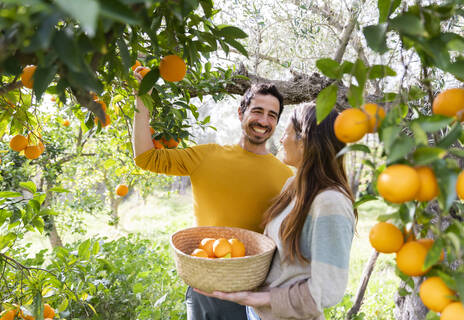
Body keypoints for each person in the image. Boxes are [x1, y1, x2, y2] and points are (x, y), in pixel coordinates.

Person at [132, 67, 293, 320]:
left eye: (272, 115)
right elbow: (145, 157)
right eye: (257, 111)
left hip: (256, 293)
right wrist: (142, 99)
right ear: (241, 113)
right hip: (204, 287)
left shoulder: (287, 176)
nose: (264, 120)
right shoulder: (205, 156)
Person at [195, 103, 357, 320]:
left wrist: (262, 298)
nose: (280, 139)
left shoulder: (330, 202)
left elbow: (328, 289)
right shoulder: (293, 185)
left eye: (286, 133)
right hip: (257, 314)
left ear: (304, 141)